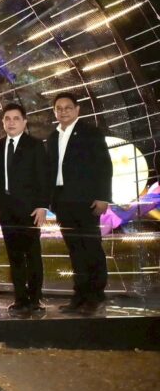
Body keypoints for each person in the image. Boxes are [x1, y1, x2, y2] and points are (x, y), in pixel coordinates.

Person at [46, 92, 112, 315]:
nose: (63, 111)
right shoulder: (53, 137)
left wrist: (103, 197)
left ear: (77, 109)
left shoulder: (90, 133)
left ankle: (96, 296)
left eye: (67, 107)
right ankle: (79, 295)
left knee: (91, 248)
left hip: (87, 201)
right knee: (74, 250)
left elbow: (104, 166)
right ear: (54, 112)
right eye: (59, 108)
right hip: (63, 201)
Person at [0, 102, 51, 317]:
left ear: (24, 122)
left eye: (16, 118)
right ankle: (20, 298)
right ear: (3, 123)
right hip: (6, 209)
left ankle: (35, 299)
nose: (11, 122)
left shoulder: (35, 145)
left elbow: (43, 177)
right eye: (7, 119)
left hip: (29, 209)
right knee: (14, 255)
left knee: (32, 254)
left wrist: (42, 206)